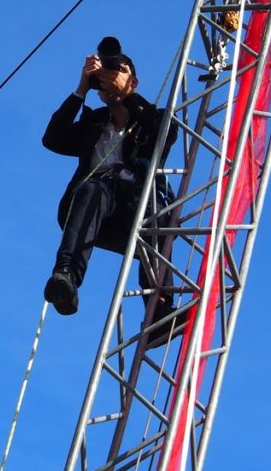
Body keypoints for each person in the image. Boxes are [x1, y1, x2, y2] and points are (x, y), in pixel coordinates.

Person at [42, 39, 177, 322]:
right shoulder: (94, 124)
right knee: (93, 187)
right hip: (91, 210)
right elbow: (53, 139)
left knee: (161, 215)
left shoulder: (153, 118)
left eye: (120, 70)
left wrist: (126, 96)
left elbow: (164, 134)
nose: (112, 76)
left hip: (136, 212)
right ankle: (66, 278)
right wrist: (81, 89)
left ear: (135, 82)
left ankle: (159, 310)